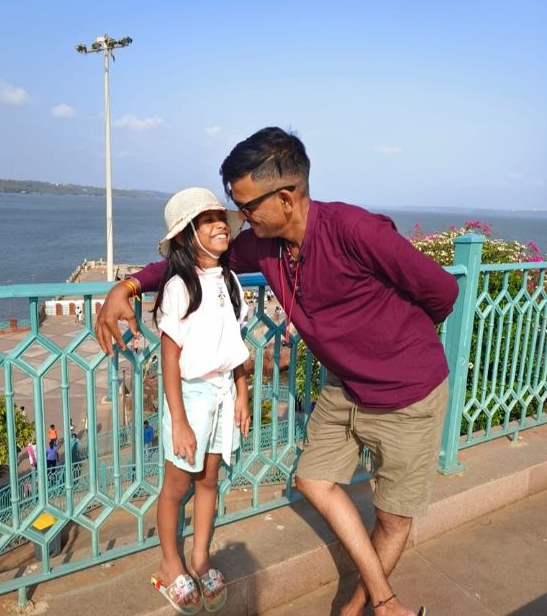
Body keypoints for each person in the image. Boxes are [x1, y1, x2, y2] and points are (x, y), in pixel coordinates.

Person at [96, 128, 459, 616]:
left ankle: (367, 605)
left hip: (408, 393)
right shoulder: (266, 246)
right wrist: (128, 286)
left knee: (393, 517)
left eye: (246, 207)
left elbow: (443, 292)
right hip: (345, 387)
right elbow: (198, 259)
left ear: (285, 198)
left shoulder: (356, 231)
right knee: (312, 480)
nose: (240, 219)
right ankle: (384, 601)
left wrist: (394, 344)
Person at [144, 187, 251, 614]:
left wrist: (242, 394)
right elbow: (169, 360)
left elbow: (235, 346)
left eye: (220, 217)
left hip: (224, 393)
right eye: (208, 220)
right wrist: (180, 420)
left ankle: (200, 557)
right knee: (176, 486)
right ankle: (170, 564)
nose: (220, 224)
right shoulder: (179, 287)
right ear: (187, 235)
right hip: (190, 399)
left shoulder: (230, 281)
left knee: (208, 479)